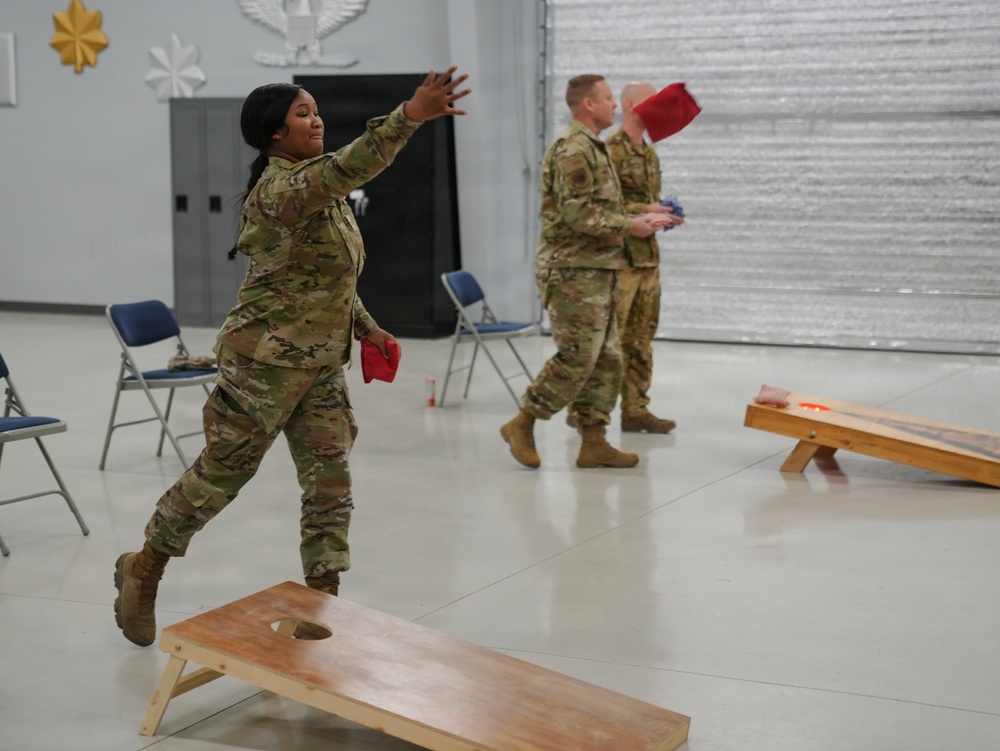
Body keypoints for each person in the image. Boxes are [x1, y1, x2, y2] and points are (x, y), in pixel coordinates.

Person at [113, 68, 471, 647]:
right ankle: (145, 566)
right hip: (264, 368)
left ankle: (320, 607)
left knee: (329, 484)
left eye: (316, 110)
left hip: (321, 366)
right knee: (224, 476)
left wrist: (369, 328)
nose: (317, 119)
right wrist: (409, 115)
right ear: (274, 134)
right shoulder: (286, 190)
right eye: (304, 113)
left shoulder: (318, 194)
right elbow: (351, 165)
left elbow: (325, 281)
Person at [500, 74, 669, 470]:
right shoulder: (572, 149)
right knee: (577, 356)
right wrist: (631, 225)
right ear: (588, 104)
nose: (614, 105)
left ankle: (594, 441)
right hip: (571, 270)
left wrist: (641, 214)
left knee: (608, 359)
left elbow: (602, 210)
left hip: (597, 269)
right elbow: (577, 214)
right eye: (609, 98)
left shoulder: (594, 149)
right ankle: (522, 422)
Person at [570, 81, 682, 434]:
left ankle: (636, 409)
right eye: (652, 101)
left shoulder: (648, 153)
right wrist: (643, 208)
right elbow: (600, 208)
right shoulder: (609, 151)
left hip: (647, 261)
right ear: (631, 105)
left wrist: (664, 214)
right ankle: (583, 411)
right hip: (620, 262)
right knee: (607, 341)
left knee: (641, 339)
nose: (659, 107)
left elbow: (645, 203)